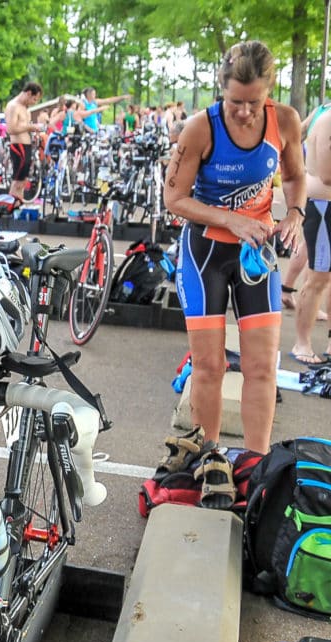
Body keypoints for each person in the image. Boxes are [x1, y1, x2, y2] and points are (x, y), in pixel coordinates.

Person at [164, 40, 305, 458]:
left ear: (269, 91)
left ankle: (255, 467)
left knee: (262, 369)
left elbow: (296, 176)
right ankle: (208, 461)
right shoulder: (200, 127)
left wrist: (295, 212)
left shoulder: (286, 121)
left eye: (254, 102)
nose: (244, 111)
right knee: (209, 367)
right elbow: (173, 199)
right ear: (221, 88)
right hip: (204, 253)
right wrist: (232, 219)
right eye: (235, 102)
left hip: (255, 258)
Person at [289, 101, 331, 366]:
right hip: (323, 206)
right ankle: (301, 343)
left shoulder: (321, 111)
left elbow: (297, 131)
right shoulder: (327, 117)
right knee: (318, 278)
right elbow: (327, 174)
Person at [4, 82, 44, 200]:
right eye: (34, 99)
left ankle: (18, 204)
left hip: (26, 146)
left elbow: (24, 126)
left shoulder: (26, 109)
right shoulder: (13, 106)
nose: (34, 103)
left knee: (23, 181)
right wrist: (30, 127)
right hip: (18, 146)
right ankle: (10, 207)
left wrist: (33, 130)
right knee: (17, 181)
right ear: (28, 93)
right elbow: (11, 129)